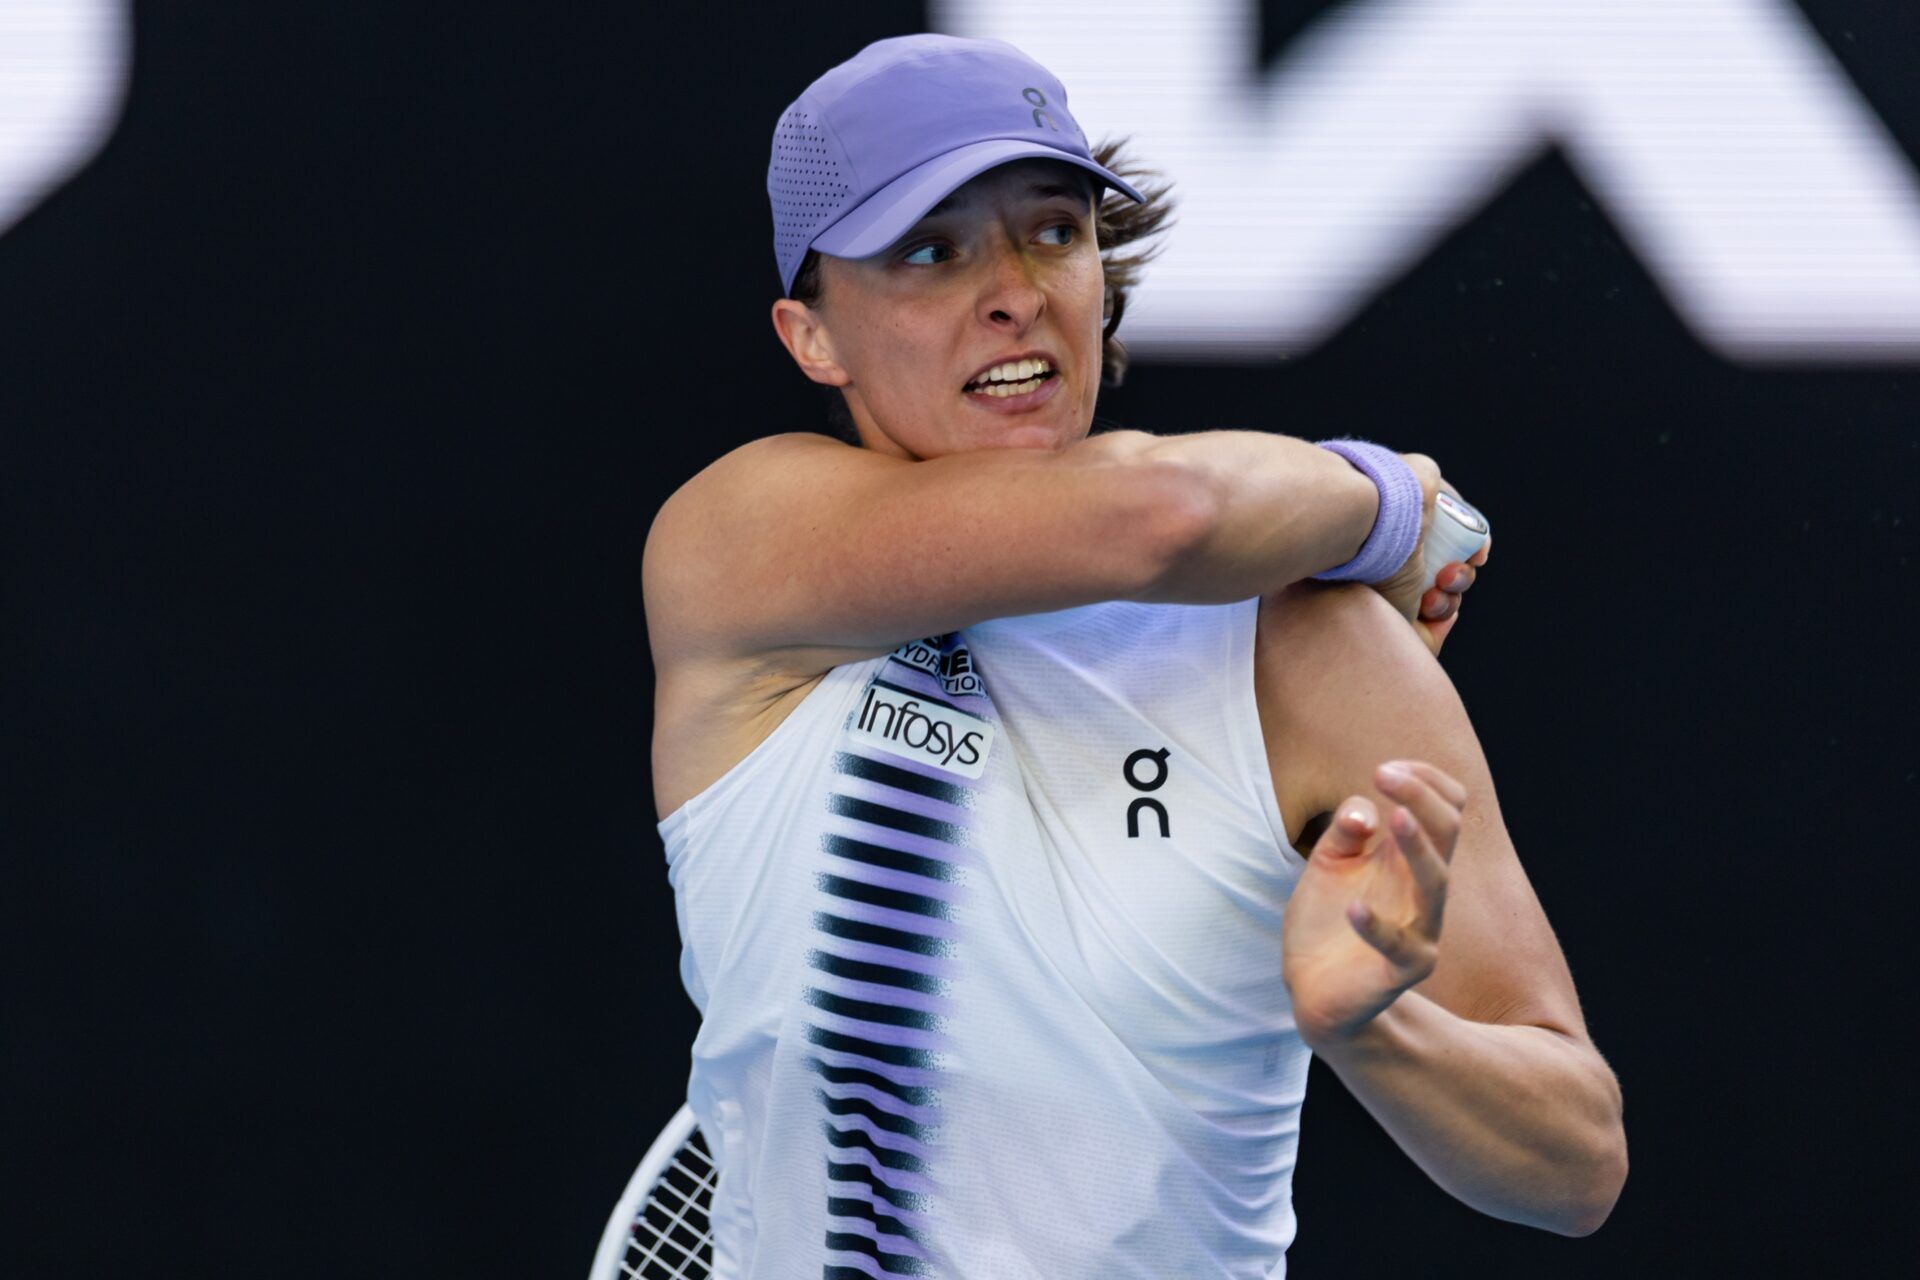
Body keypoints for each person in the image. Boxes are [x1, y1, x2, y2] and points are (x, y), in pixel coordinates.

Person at [643, 33, 1625, 1278]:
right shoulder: (741, 547)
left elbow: (1576, 1160)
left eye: (1052, 232)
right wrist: (1392, 495)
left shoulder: (1310, 645)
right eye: (931, 252)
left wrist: (1374, 1029)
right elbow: (1162, 513)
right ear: (812, 336)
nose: (1011, 288)